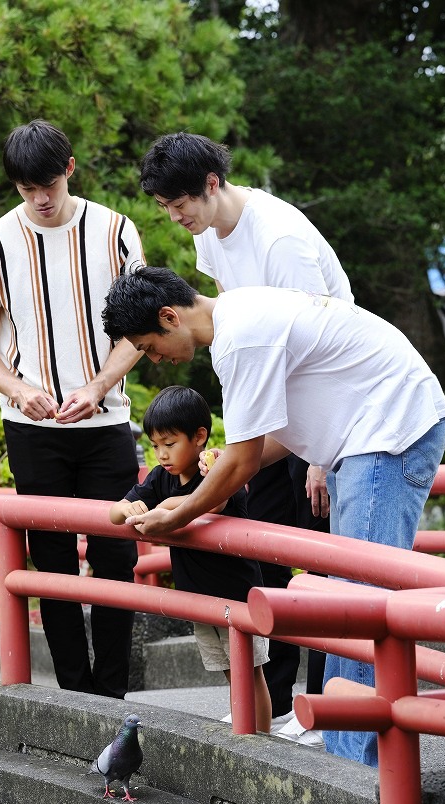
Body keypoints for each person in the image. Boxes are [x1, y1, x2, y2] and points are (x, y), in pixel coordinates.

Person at [101, 267, 445, 767]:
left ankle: (357, 774)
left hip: (388, 433)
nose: (154, 358)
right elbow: (272, 438)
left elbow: (243, 461)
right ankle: (349, 759)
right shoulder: (245, 314)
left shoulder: (239, 341)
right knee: (347, 598)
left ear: (169, 316)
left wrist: (181, 513)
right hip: (372, 435)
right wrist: (209, 482)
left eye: (149, 345)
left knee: (360, 603)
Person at [139, 132, 347, 732]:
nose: (176, 217)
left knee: (323, 575)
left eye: (179, 203)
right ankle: (278, 708)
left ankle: (324, 714)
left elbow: (323, 339)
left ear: (211, 183)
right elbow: (237, 322)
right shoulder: (211, 238)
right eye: (164, 207)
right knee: (266, 564)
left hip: (320, 415)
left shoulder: (280, 239)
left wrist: (319, 453)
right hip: (270, 417)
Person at [0, 119, 145, 699]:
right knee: (52, 563)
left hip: (108, 419)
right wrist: (16, 390)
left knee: (117, 555)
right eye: (25, 188)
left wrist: (96, 386)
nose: (39, 199)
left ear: (70, 169)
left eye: (47, 184)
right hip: (32, 427)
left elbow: (140, 330)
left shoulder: (115, 231)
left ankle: (112, 695)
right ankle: (74, 693)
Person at [109, 386, 272, 732]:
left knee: (251, 671)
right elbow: (114, 514)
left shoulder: (215, 472)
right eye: (155, 446)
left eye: (170, 444)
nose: (162, 455)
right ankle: (246, 730)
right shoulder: (158, 479)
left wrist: (163, 508)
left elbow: (211, 504)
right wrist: (127, 507)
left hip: (237, 593)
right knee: (232, 673)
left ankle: (262, 741)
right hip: (200, 597)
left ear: (199, 437)